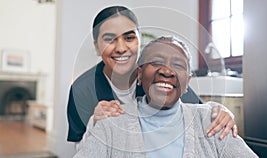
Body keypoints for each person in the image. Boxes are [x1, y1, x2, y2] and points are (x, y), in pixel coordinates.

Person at [67, 5, 237, 146]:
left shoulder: (156, 75)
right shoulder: (82, 90)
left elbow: (197, 111)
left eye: (129, 38)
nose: (120, 48)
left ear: (140, 41)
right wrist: (94, 125)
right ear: (97, 47)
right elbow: (80, 150)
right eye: (109, 39)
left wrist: (219, 110)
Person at [73, 36, 257, 158]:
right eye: (156, 62)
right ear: (139, 74)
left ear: (187, 83)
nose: (167, 71)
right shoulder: (112, 122)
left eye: (178, 65)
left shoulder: (211, 121)